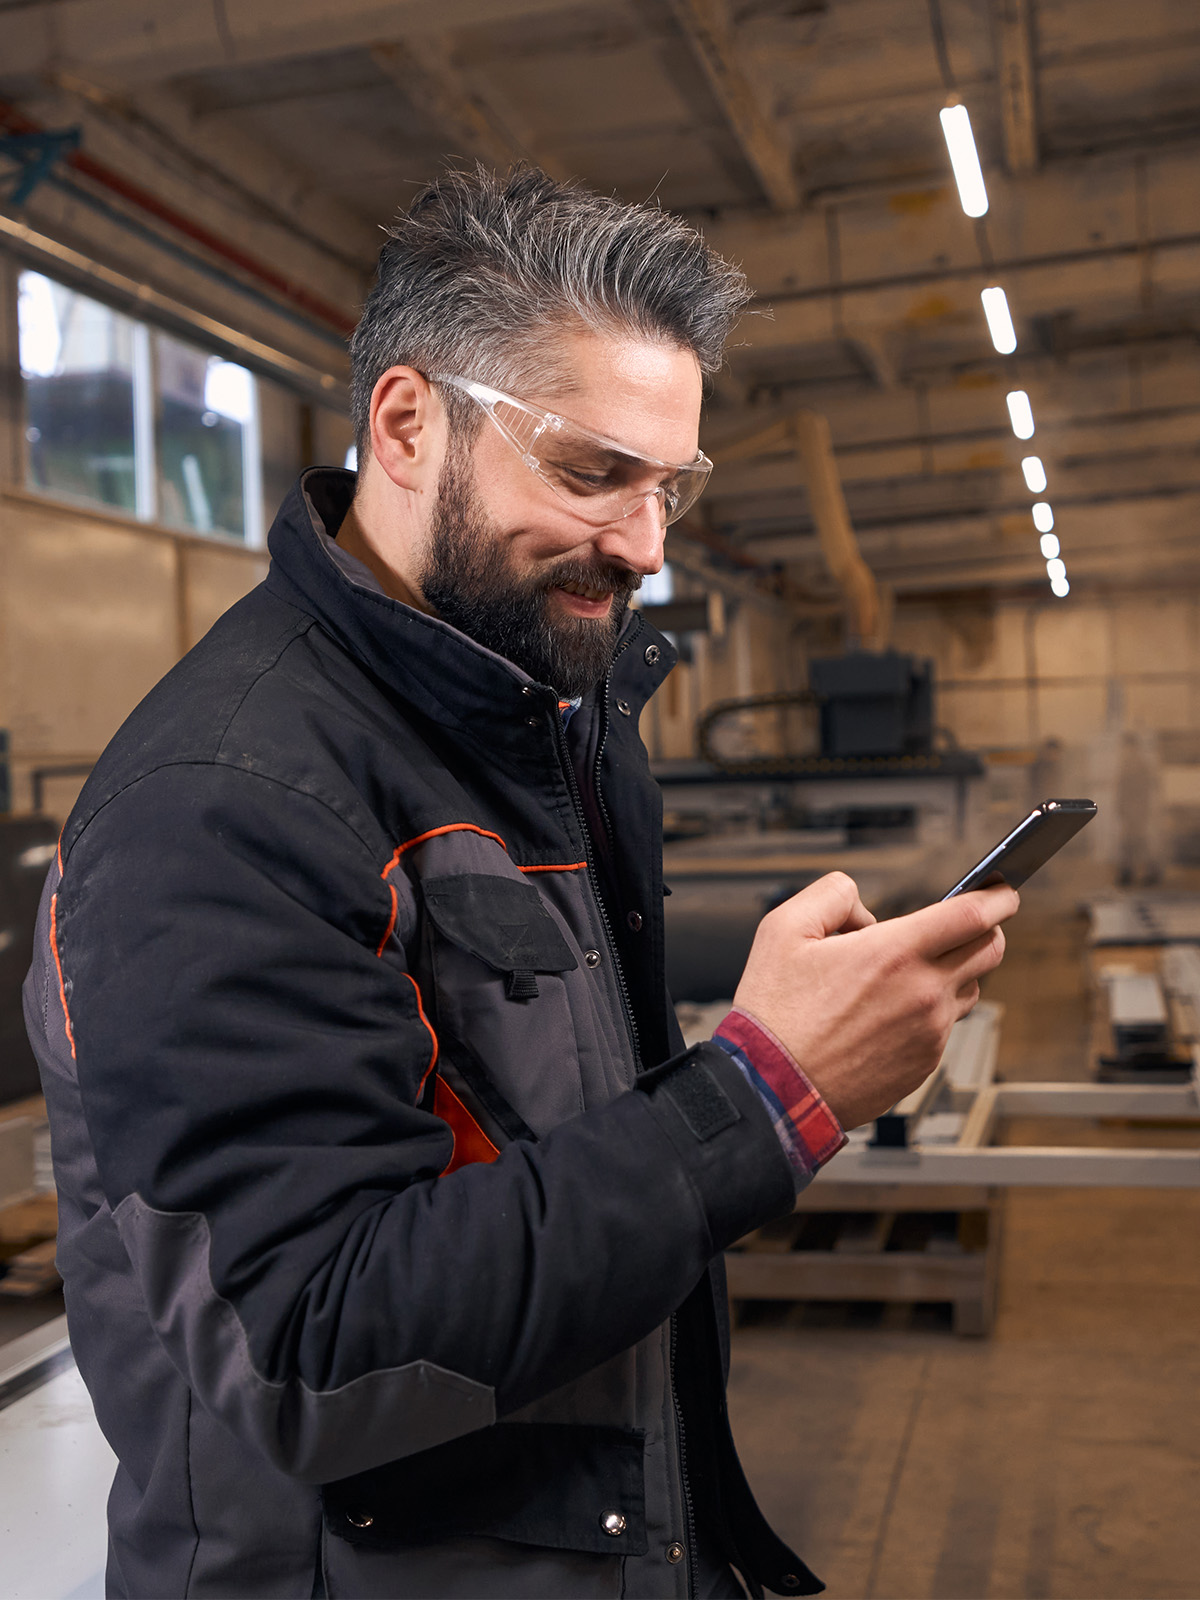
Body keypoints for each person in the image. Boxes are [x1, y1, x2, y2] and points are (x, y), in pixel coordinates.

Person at [24, 167, 1016, 1600]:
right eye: (594, 472)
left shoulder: (548, 721)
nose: (650, 546)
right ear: (409, 423)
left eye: (667, 486)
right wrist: (764, 1092)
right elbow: (315, 1352)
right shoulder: (225, 801)